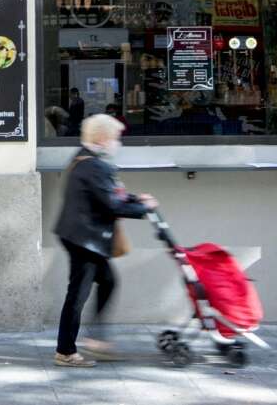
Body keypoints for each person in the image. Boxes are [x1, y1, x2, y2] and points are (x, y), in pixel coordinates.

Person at [52, 114, 158, 368]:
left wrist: (135, 199)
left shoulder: (82, 158)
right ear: (102, 138)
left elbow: (107, 194)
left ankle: (95, 339)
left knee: (108, 281)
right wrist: (145, 209)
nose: (117, 143)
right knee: (77, 296)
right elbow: (112, 204)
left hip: (78, 235)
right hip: (85, 240)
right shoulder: (96, 166)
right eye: (115, 137)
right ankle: (66, 351)